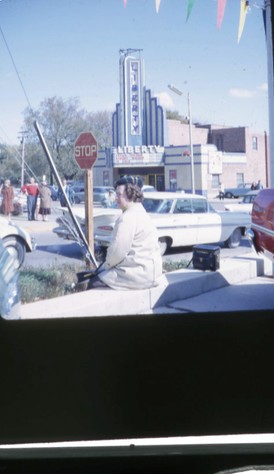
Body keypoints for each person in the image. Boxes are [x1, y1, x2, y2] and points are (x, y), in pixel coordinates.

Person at [88, 176, 163, 290]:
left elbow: (117, 253)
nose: (116, 198)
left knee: (93, 282)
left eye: (119, 194)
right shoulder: (143, 214)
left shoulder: (127, 218)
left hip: (137, 276)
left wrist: (105, 267)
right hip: (151, 273)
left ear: (130, 194)